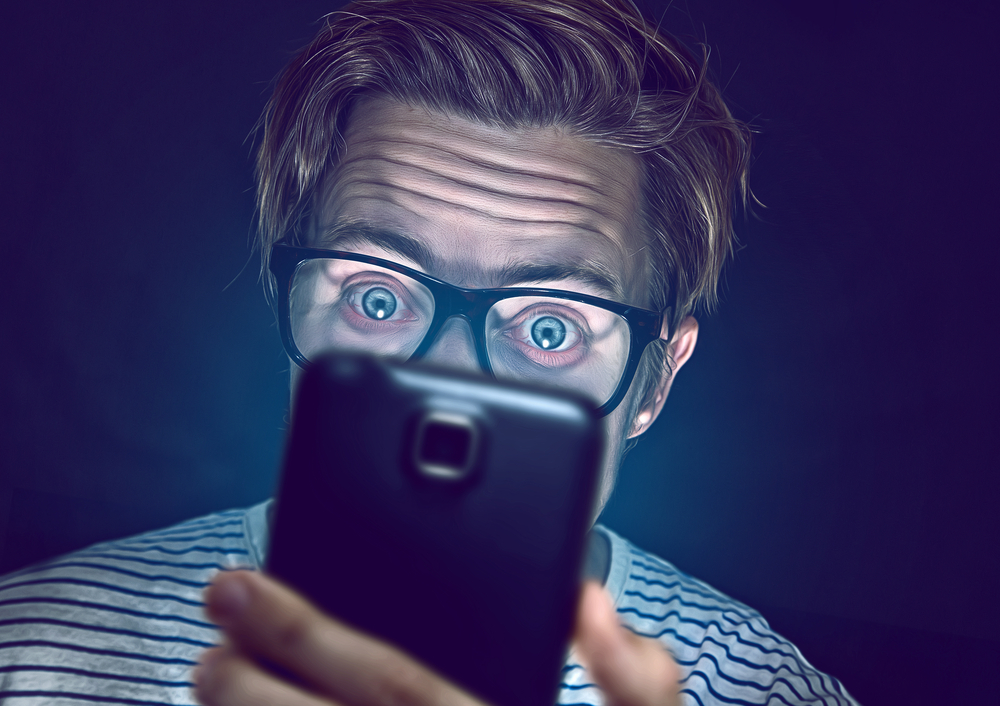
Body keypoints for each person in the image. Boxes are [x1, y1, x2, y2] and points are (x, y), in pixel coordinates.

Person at [0, 1, 859, 705]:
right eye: (379, 297)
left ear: (653, 382)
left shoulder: (770, 693)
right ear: (284, 308)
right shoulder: (27, 657)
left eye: (550, 328)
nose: (446, 384)